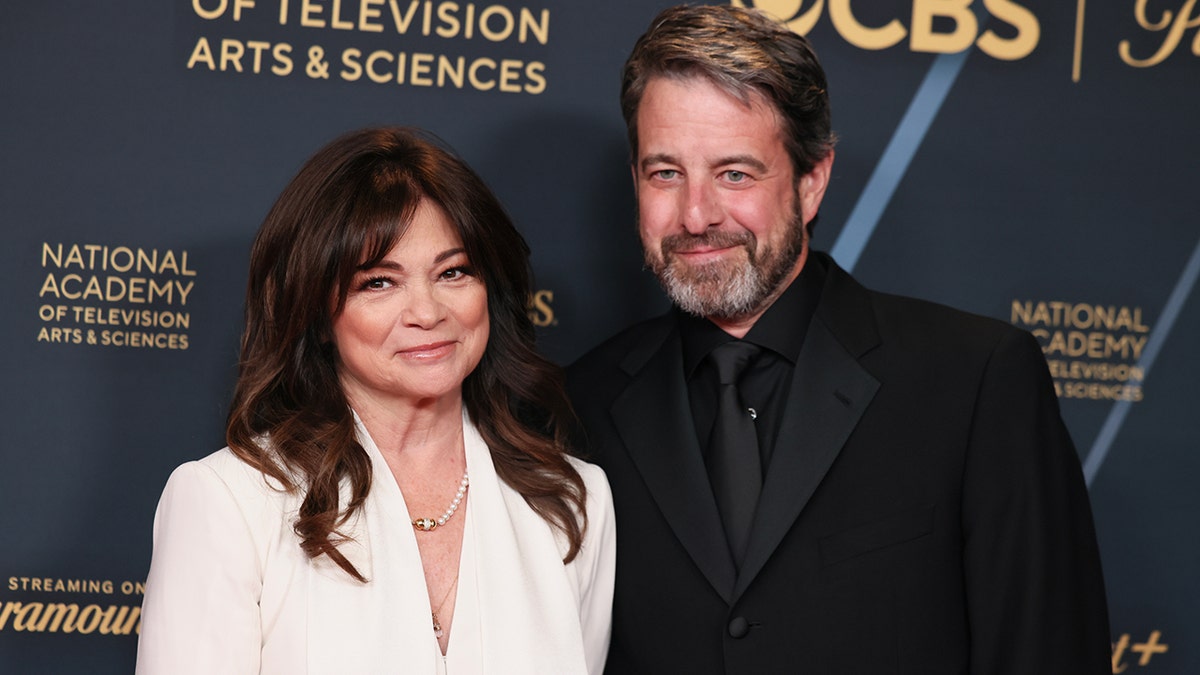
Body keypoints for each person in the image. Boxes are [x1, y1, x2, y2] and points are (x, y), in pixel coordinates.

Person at [566, 5, 1110, 674]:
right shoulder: (578, 404)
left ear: (812, 179)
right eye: (665, 173)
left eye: (735, 173)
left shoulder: (974, 381)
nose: (696, 214)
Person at [137, 127, 615, 674]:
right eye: (379, 283)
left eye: (453, 272)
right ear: (317, 313)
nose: (427, 311)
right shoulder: (230, 502)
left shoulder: (572, 502)